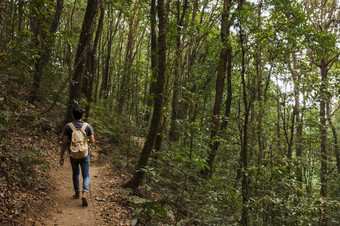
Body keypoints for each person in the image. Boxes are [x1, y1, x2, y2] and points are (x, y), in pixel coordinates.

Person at [60, 107, 95, 206]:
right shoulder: (87, 126)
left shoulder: (68, 126)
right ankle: (85, 192)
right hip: (84, 153)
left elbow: (65, 142)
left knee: (75, 173)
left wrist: (61, 155)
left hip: (73, 153)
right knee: (86, 174)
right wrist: (86, 141)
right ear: (82, 115)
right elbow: (92, 140)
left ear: (73, 115)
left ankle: (77, 192)